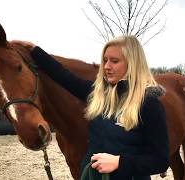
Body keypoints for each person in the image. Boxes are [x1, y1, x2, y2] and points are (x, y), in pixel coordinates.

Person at [17, 35, 169, 180]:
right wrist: (35, 50)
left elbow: (160, 161)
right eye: (105, 60)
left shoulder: (149, 105)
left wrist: (119, 162)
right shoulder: (99, 95)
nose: (107, 67)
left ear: (133, 64)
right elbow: (64, 76)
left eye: (114, 61)